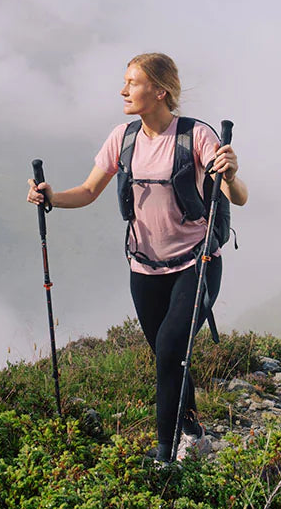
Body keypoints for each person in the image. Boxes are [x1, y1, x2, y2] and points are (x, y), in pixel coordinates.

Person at [27, 52, 248, 464]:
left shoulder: (196, 136)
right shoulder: (123, 138)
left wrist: (232, 175)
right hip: (143, 266)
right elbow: (88, 191)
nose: (123, 91)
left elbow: (238, 196)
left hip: (196, 264)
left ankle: (164, 456)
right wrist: (51, 197)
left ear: (160, 91)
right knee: (169, 354)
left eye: (133, 83)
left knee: (169, 348)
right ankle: (193, 430)